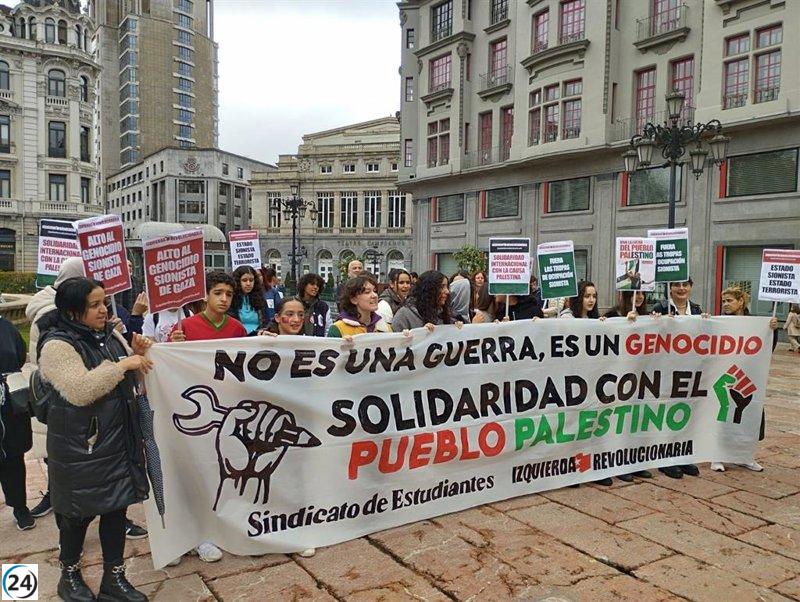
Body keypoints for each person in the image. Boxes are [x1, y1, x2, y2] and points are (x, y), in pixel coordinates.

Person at [37, 276, 152, 602]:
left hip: (117, 442)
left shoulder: (110, 335)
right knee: (76, 515)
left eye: (104, 302)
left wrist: (137, 356)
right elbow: (80, 389)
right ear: (73, 311)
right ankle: (69, 576)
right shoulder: (56, 345)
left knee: (116, 510)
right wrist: (123, 364)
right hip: (81, 448)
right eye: (95, 305)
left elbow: (131, 373)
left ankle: (113, 579)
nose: (104, 309)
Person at [168, 271, 245, 563]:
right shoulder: (184, 326)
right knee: (188, 471)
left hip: (224, 413)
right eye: (218, 293)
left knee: (216, 472)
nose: (224, 299)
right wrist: (173, 346)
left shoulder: (237, 328)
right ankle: (185, 534)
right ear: (205, 295)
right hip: (190, 412)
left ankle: (209, 531)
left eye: (229, 294)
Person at [710, 286, 779, 473]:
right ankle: (717, 456)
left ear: (741, 302)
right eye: (724, 301)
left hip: (747, 376)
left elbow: (765, 348)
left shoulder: (757, 323)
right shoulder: (719, 322)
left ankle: (745, 456)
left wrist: (772, 330)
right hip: (725, 375)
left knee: (747, 415)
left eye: (729, 300)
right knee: (722, 414)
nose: (725, 304)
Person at [604, 291, 653, 482]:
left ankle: (633, 462)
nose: (639, 297)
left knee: (634, 421)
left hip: (639, 378)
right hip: (614, 380)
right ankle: (615, 463)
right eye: (635, 293)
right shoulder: (611, 315)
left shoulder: (648, 317)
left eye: (642, 293)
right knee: (616, 422)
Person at [0, 312, 34, 531]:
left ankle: (20, 507)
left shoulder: (6, 327)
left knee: (13, 455)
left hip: (9, 401)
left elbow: (20, 355)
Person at [228, 266, 268, 336]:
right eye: (244, 280)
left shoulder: (261, 300)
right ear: (237, 281)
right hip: (238, 339)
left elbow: (266, 322)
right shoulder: (230, 299)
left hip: (257, 339)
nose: (248, 283)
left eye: (251, 280)